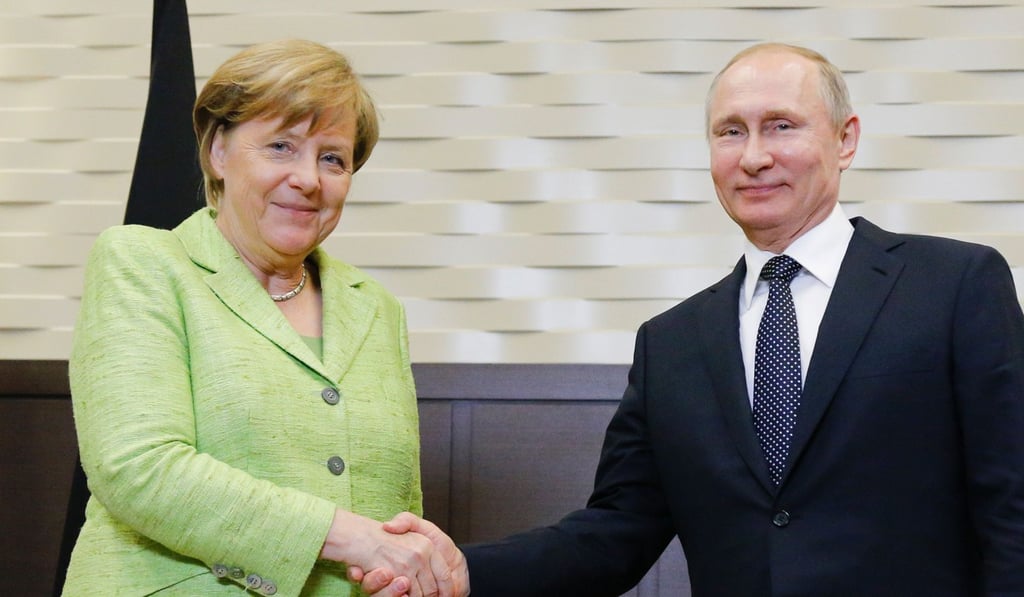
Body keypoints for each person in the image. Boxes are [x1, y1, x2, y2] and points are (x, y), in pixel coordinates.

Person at [355, 42, 1024, 596]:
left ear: (845, 140)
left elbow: (1012, 502)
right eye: (731, 131)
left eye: (781, 126)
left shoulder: (955, 284)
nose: (754, 155)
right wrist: (465, 570)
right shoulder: (672, 343)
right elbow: (617, 530)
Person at [62, 39, 466, 597]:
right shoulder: (144, 263)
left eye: (333, 158)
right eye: (281, 146)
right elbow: (139, 466)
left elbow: (393, 516)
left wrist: (422, 566)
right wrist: (348, 536)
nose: (309, 178)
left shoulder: (374, 305)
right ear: (218, 152)